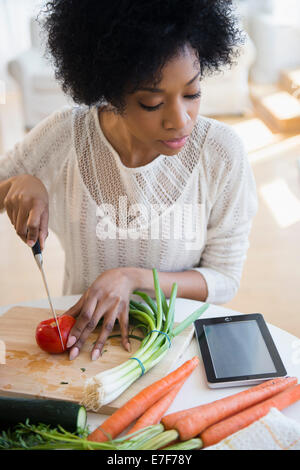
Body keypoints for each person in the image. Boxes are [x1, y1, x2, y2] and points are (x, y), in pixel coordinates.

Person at [0, 0, 258, 361]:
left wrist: (134, 278)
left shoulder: (221, 152)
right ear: (110, 90)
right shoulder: (67, 134)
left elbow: (224, 278)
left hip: (174, 348)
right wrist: (18, 184)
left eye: (192, 92)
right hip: (82, 347)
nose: (181, 120)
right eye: (152, 103)